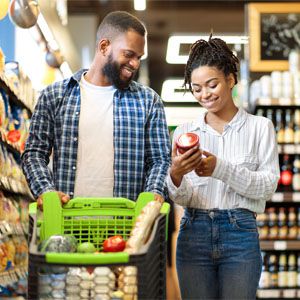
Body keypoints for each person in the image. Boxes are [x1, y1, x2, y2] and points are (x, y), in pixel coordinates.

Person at [167, 35, 280, 300]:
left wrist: (220, 168)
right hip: (193, 232)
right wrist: (176, 174)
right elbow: (182, 198)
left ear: (230, 79)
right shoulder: (184, 133)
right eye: (196, 88)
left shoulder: (260, 128)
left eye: (211, 84)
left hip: (240, 234)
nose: (204, 94)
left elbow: (267, 186)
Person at [21, 11, 171, 207]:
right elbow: (34, 153)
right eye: (128, 54)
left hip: (127, 227)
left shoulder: (148, 101)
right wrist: (46, 192)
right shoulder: (55, 96)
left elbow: (160, 160)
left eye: (139, 57)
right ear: (104, 46)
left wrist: (153, 192)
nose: (134, 64)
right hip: (67, 223)